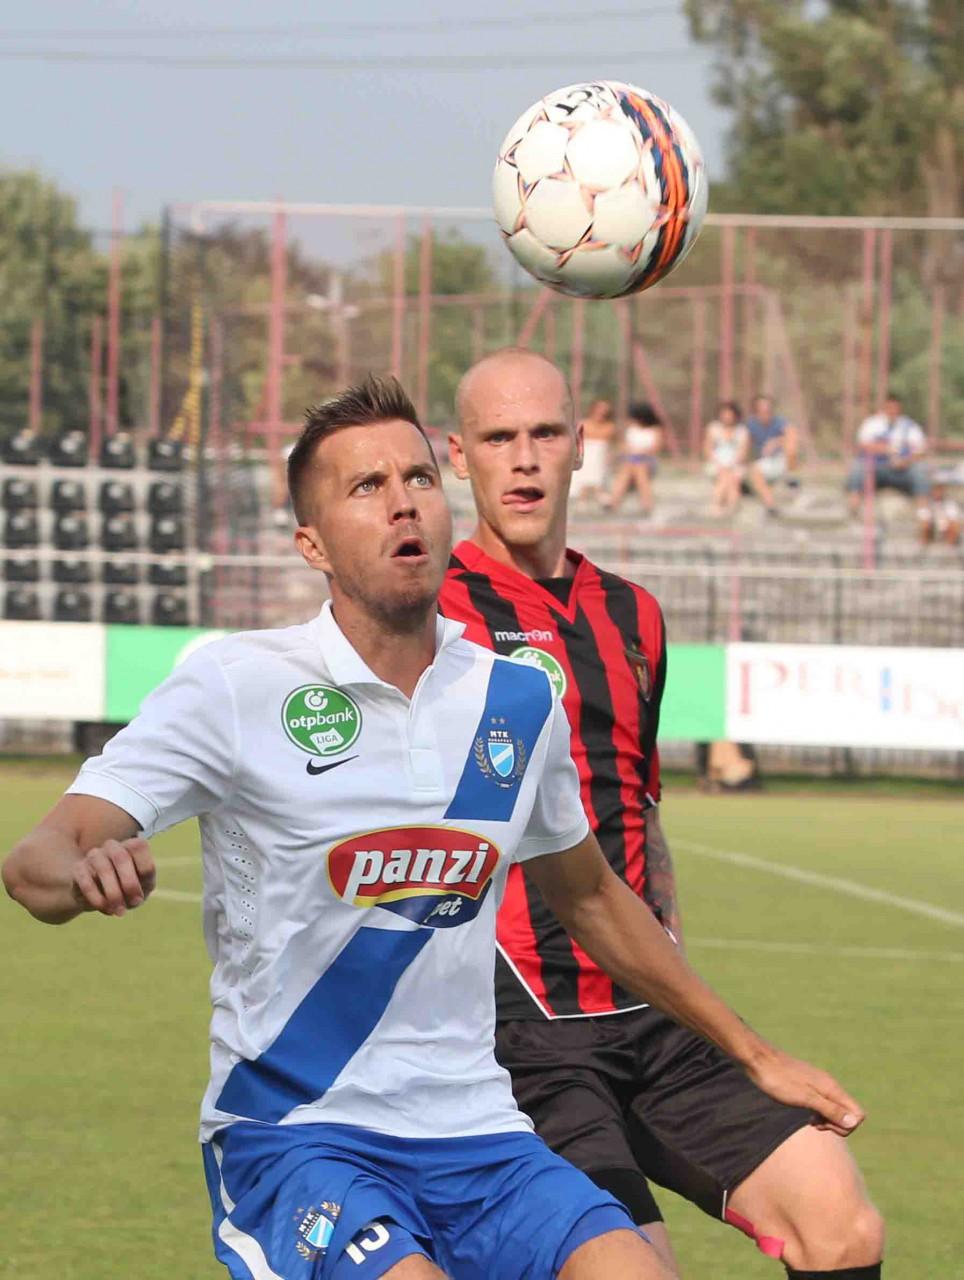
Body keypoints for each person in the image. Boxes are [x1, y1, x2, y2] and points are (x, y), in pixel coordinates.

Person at [2, 374, 866, 1280]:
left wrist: (754, 1055)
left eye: (416, 477)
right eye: (365, 487)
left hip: (478, 1131)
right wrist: (83, 875)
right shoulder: (236, 685)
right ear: (311, 543)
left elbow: (593, 898)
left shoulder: (515, 696)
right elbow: (36, 862)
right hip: (298, 1133)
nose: (402, 502)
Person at [442, 348, 885, 1280]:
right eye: (498, 437)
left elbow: (640, 806)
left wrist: (671, 951)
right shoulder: (433, 616)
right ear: (459, 454)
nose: (523, 458)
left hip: (653, 1010)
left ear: (580, 447)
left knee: (839, 1222)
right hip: (517, 1029)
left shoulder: (632, 614)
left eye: (545, 434)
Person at [845, 393, 931, 521]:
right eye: (890, 408)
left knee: (920, 469)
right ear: (884, 408)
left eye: (896, 409)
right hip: (876, 468)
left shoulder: (910, 426)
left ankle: (923, 515)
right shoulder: (872, 424)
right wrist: (886, 450)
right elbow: (863, 445)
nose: (892, 412)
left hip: (901, 471)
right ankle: (853, 509)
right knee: (858, 466)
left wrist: (905, 461)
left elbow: (921, 451)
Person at [746, 395, 801, 515]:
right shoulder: (751, 424)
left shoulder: (779, 421)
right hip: (763, 463)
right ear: (756, 411)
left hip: (781, 460)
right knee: (754, 470)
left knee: (790, 445)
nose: (765, 413)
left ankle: (792, 479)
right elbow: (745, 445)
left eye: (768, 410)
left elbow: (793, 435)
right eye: (761, 410)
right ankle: (770, 505)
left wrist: (776, 442)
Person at [607, 401, 663, 515]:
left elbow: (656, 448)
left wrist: (640, 451)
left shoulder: (655, 429)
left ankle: (616, 502)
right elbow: (622, 446)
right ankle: (643, 504)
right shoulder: (630, 428)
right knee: (629, 469)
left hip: (647, 460)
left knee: (639, 469)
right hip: (630, 459)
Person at [703, 400, 750, 516]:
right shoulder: (713, 428)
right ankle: (720, 505)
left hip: (736, 464)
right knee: (724, 476)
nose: (727, 417)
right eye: (724, 414)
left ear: (735, 415)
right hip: (717, 463)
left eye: (729, 414)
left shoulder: (742, 430)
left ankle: (727, 506)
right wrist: (719, 464)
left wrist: (731, 465)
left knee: (732, 478)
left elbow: (743, 452)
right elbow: (708, 449)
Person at [570, 398, 615, 507]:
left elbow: (611, 446)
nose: (602, 412)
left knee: (598, 455)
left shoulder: (610, 427)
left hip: (601, 457)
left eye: (605, 409)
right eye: (600, 408)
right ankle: (595, 492)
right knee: (589, 457)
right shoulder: (583, 425)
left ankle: (591, 492)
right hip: (585, 455)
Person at [918, 480, 961, 547]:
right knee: (925, 524)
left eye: (939, 491)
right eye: (936, 491)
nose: (938, 493)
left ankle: (950, 546)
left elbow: (953, 518)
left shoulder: (950, 503)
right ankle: (923, 545)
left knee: (954, 525)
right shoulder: (927, 503)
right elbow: (923, 517)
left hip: (945, 525)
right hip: (932, 526)